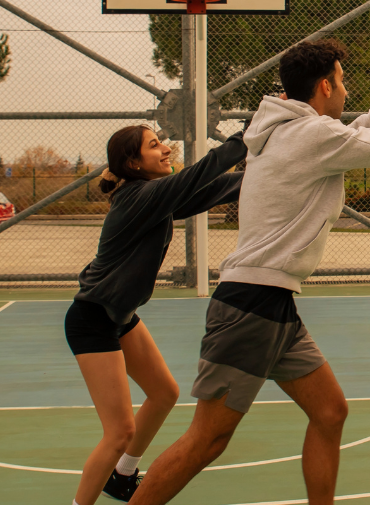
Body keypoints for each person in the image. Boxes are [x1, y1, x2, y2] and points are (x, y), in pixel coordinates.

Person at [129, 38, 370, 505]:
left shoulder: (292, 129)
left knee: (330, 412)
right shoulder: (309, 135)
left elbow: (354, 133)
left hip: (272, 303)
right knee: (207, 439)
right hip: (251, 307)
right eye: (341, 81)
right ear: (324, 87)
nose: (345, 90)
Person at [65, 125, 246, 504]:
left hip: (119, 316)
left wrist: (273, 173)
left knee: (164, 393)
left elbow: (213, 189)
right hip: (93, 320)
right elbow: (201, 174)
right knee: (119, 433)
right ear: (134, 163)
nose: (165, 149)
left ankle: (122, 477)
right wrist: (246, 137)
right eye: (154, 145)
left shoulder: (154, 197)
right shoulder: (139, 197)